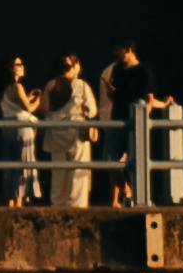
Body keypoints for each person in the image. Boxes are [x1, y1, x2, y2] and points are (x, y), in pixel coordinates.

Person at [41, 53, 99, 207]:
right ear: (75, 67)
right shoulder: (81, 85)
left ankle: (57, 202)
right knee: (78, 170)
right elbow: (92, 111)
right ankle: (76, 204)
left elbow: (45, 109)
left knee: (58, 171)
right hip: (76, 133)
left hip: (55, 132)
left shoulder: (51, 85)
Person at [96, 46, 147, 203]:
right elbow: (110, 99)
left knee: (129, 162)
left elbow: (147, 98)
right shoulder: (112, 71)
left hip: (131, 122)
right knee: (112, 161)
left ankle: (126, 198)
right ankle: (122, 196)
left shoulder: (140, 71)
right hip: (114, 120)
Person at [0, 56, 44, 205]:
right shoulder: (18, 87)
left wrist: (28, 98)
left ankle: (10, 199)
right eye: (18, 64)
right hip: (21, 130)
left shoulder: (4, 89)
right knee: (22, 163)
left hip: (7, 129)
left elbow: (15, 105)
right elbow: (29, 108)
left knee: (9, 164)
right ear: (12, 68)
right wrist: (39, 99)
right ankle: (18, 199)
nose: (22, 66)